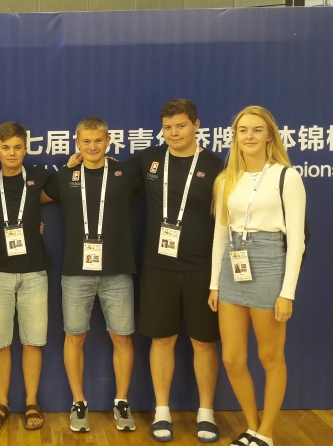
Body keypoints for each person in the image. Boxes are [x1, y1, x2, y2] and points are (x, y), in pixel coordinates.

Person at [208, 106, 306, 446]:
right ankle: (252, 427)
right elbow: (220, 235)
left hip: (269, 264)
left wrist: (287, 292)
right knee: (232, 358)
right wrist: (214, 284)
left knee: (269, 356)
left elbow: (297, 240)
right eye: (243, 130)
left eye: (257, 130)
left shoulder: (286, 177)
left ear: (269, 136)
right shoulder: (226, 180)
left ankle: (267, 432)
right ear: (235, 137)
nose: (249, 136)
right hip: (233, 266)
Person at [128, 99, 225, 443]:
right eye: (167, 127)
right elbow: (111, 181)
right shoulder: (149, 160)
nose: (173, 133)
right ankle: (162, 411)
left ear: (196, 125)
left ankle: (206, 412)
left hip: (202, 268)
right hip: (158, 268)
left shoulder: (215, 165)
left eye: (181, 126)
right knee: (162, 339)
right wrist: (78, 160)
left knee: (204, 342)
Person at [44, 116, 141, 434]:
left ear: (108, 141)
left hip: (117, 270)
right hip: (76, 272)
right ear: (77, 143)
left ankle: (122, 401)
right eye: (86, 141)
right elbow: (34, 198)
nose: (92, 146)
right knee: (74, 336)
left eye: (98, 140)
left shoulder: (125, 173)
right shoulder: (65, 176)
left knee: (122, 337)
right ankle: (78, 402)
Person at [0, 122, 54, 431]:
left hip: (34, 272)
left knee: (32, 342)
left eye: (17, 147)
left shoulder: (40, 177)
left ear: (26, 148)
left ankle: (31, 402)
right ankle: (2, 402)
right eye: (5, 148)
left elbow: (76, 182)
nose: (12, 153)